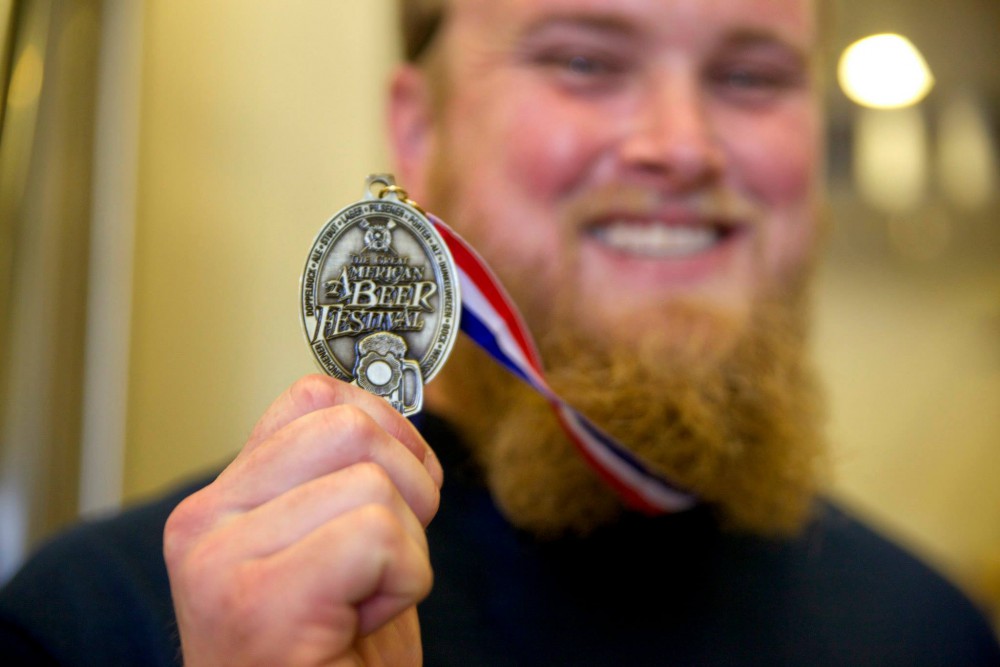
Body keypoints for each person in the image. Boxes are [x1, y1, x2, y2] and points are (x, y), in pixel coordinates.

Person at [1, 0, 999, 665]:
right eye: (582, 60)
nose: (683, 145)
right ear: (417, 133)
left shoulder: (934, 636)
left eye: (750, 76)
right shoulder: (99, 623)